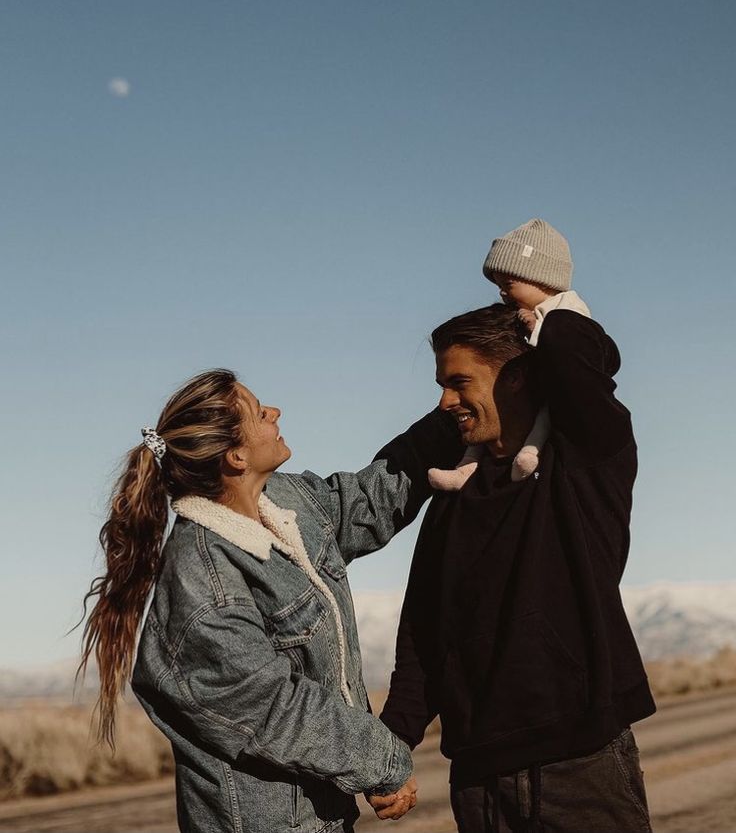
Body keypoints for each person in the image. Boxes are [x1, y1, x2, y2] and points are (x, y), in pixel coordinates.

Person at [78, 368, 462, 833]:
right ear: (236, 456)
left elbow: (366, 501)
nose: (276, 412)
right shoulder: (203, 582)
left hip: (323, 817)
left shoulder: (285, 503)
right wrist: (383, 763)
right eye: (260, 413)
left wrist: (453, 415)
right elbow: (277, 710)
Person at [380, 223, 656, 833]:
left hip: (578, 763)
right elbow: (424, 629)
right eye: (441, 385)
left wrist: (542, 305)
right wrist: (392, 745)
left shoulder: (585, 463)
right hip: (477, 774)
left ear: (520, 377)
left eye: (459, 382)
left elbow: (581, 366)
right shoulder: (453, 492)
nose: (446, 402)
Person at [429, 218, 591, 489]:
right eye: (498, 285)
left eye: (508, 283)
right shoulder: (518, 315)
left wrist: (540, 330)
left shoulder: (569, 315)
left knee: (544, 418)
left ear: (540, 278)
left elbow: (581, 355)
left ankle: (530, 453)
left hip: (550, 397)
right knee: (481, 429)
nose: (502, 292)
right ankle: (465, 469)